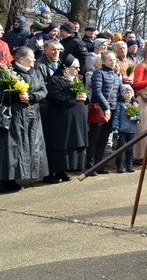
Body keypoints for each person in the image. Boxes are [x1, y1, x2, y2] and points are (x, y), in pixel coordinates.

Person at [0, 46, 48, 192]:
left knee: (29, 147)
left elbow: (44, 90)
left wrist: (32, 97)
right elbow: (1, 93)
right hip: (15, 116)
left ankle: (20, 176)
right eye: (31, 56)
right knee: (13, 149)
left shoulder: (36, 71)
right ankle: (6, 180)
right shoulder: (7, 72)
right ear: (21, 59)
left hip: (33, 115)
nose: (34, 59)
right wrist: (16, 97)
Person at [46, 55, 88, 182]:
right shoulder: (56, 80)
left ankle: (66, 169)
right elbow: (56, 96)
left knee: (72, 142)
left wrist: (85, 96)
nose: (77, 70)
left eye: (79, 68)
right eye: (75, 67)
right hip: (61, 119)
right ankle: (57, 170)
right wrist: (74, 98)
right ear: (66, 67)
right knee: (62, 143)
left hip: (75, 118)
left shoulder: (75, 79)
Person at [87, 50, 121, 175]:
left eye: (114, 60)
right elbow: (97, 92)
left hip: (111, 110)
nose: (113, 62)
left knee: (103, 139)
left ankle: (99, 164)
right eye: (110, 60)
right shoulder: (98, 73)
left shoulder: (116, 76)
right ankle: (91, 166)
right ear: (103, 61)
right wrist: (106, 107)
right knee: (94, 138)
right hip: (100, 110)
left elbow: (119, 93)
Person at [112, 84, 139, 173]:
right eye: (127, 92)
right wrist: (115, 128)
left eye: (131, 92)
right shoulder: (120, 104)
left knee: (130, 148)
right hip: (122, 129)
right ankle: (119, 165)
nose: (129, 94)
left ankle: (129, 165)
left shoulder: (134, 104)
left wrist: (137, 118)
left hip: (131, 129)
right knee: (120, 147)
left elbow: (139, 116)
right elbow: (116, 116)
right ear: (123, 93)